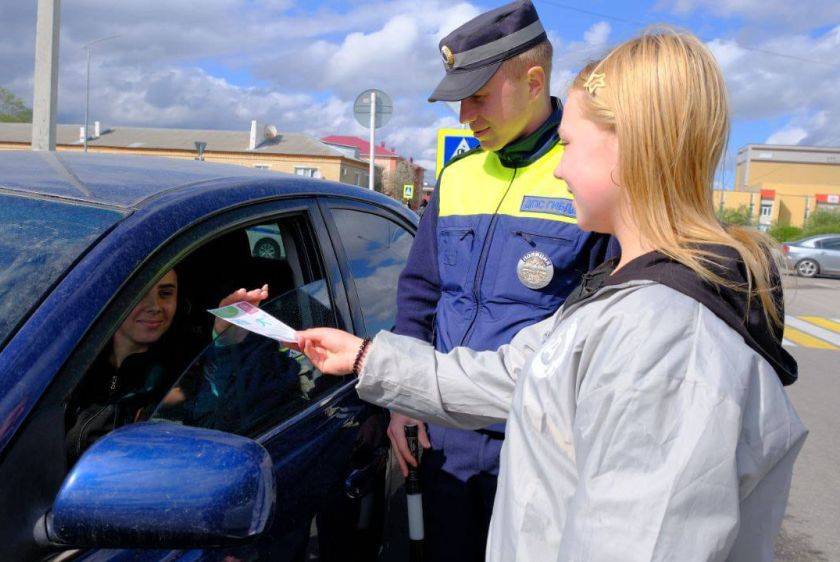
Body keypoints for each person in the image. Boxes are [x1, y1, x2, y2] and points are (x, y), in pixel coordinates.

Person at [294, 29, 807, 561]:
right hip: (458, 439)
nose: (559, 168)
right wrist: (367, 358)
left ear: (630, 149)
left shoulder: (670, 348)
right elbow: (516, 373)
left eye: (569, 145)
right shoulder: (628, 295)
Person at [390, 2, 614, 559]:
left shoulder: (588, 176)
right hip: (441, 438)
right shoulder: (459, 175)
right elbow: (420, 295)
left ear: (534, 81)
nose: (465, 113)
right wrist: (404, 401)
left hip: (536, 445)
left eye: (479, 95)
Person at [65, 268, 268, 462]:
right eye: (140, 293)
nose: (155, 306)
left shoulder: (186, 366)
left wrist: (224, 343)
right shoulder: (73, 357)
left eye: (166, 293)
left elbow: (216, 412)